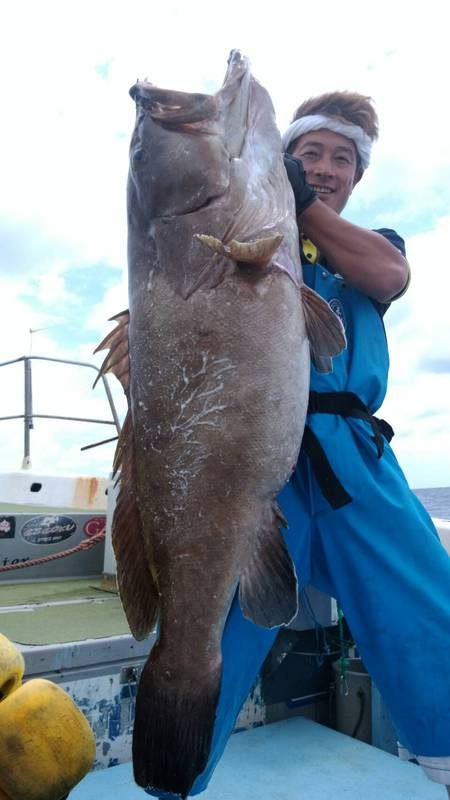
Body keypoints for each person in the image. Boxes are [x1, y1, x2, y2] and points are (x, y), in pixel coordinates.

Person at [153, 93, 450, 798]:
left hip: (356, 464)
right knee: (208, 631)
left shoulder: (371, 244)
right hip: (250, 456)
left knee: (430, 612)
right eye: (309, 153)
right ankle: (172, 780)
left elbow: (389, 277)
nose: (324, 167)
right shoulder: (239, 235)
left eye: (340, 158)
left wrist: (301, 206)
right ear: (284, 157)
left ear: (356, 177)